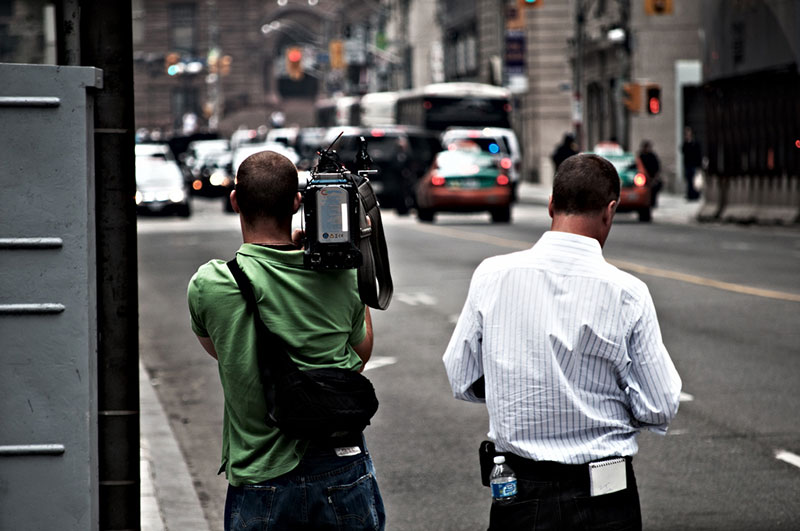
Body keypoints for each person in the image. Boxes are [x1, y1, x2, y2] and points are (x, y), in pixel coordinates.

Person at [443, 154, 681, 530]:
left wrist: (521, 386)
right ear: (610, 210)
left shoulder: (493, 275)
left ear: (551, 204)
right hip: (606, 496)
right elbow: (660, 405)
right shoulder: (628, 293)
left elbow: (461, 377)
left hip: (520, 493)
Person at [187, 150, 385, 530]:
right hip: (340, 469)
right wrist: (348, 265)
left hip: (261, 478)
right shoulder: (340, 276)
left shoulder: (211, 284)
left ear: (235, 201)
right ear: (298, 202)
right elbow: (360, 356)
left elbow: (221, 349)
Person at [637, 140, 662, 207]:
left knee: (656, 187)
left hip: (653, 177)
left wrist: (654, 178)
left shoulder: (653, 156)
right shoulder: (641, 156)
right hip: (643, 177)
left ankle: (653, 202)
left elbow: (657, 167)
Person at [682, 126, 702, 200]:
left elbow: (698, 154)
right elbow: (683, 151)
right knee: (689, 180)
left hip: (694, 165)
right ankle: (690, 195)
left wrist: (699, 165)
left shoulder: (695, 143)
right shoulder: (686, 143)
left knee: (695, 181)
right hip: (688, 165)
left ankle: (696, 195)